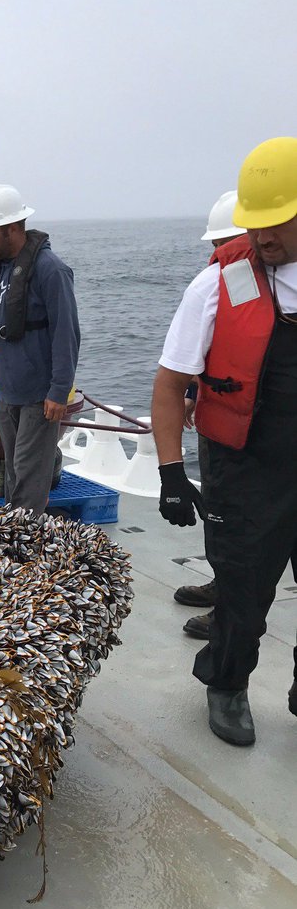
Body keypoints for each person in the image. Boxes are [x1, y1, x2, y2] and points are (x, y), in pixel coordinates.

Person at [151, 136, 297, 747]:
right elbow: (169, 385)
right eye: (254, 225)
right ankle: (227, 684)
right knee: (242, 589)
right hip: (246, 468)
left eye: (277, 224)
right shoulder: (216, 287)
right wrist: (169, 472)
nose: (263, 239)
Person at [0, 183, 81, 513]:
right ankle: (15, 535)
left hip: (39, 396)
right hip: (7, 392)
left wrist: (59, 391)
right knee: (13, 472)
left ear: (11, 228)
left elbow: (67, 333)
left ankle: (25, 544)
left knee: (28, 477)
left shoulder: (51, 271)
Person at [176, 189, 248, 640]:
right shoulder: (219, 282)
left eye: (220, 245)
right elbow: (208, 348)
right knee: (218, 506)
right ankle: (222, 585)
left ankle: (231, 606)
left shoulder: (246, 285)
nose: (216, 255)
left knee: (236, 515)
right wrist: (189, 391)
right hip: (215, 415)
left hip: (243, 428)